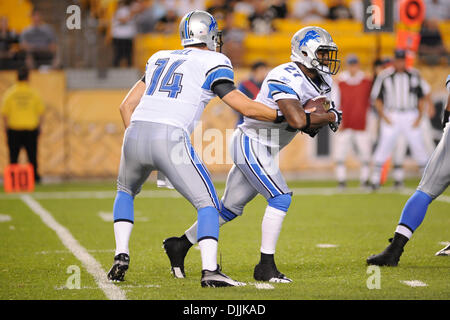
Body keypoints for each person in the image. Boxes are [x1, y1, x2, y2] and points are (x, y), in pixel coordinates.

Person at [107, 10, 286, 288]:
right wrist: (281, 115)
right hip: (169, 136)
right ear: (209, 34)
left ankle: (121, 254)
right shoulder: (215, 60)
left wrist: (142, 146)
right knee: (209, 205)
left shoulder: (158, 57)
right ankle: (211, 271)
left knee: (125, 191)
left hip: (135, 132)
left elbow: (125, 106)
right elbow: (243, 106)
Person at [163, 26, 342, 283]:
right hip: (252, 142)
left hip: (266, 146)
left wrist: (318, 117)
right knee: (280, 198)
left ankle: (179, 244)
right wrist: (330, 116)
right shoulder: (285, 74)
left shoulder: (323, 80)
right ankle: (265, 267)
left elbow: (308, 125)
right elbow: (296, 119)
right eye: (322, 53)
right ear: (305, 52)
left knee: (229, 208)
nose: (327, 59)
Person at [367, 74, 450, 265]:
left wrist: (447, 120)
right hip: (396, 115)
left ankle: (395, 250)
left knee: (425, 191)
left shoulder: (413, 76)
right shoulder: (388, 77)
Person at [369, 49, 430, 190]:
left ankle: (427, 181)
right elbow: (376, 99)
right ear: (394, 61)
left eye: (402, 60)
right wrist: (384, 116)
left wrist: (419, 117)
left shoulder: (414, 75)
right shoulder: (385, 76)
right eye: (398, 60)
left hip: (410, 114)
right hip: (392, 114)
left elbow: (421, 98)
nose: (400, 63)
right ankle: (375, 180)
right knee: (384, 146)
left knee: (419, 147)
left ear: (405, 61)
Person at [331, 54, 372, 188]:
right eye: (350, 64)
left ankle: (365, 179)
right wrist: (337, 120)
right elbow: (335, 102)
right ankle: (341, 180)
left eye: (354, 64)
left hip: (361, 122)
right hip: (345, 123)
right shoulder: (340, 82)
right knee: (340, 154)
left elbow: (371, 102)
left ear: (358, 65)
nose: (352, 68)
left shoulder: (366, 81)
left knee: (365, 154)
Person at [1, 67, 45, 183]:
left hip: (14, 129)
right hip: (30, 129)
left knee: (13, 156)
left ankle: (13, 179)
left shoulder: (10, 93)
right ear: (28, 78)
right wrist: (40, 127)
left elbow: (4, 113)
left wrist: (5, 128)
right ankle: (35, 177)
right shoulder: (33, 93)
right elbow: (41, 112)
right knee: (32, 156)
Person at [235, 61, 269, 126]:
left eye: (265, 71)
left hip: (264, 122)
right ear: (254, 72)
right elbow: (237, 102)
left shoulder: (268, 86)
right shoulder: (244, 85)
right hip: (245, 121)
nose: (263, 73)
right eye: (261, 71)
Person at [111, 0, 138, 67]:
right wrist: (131, 14)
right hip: (119, 35)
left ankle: (128, 67)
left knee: (128, 54)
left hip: (128, 35)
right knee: (119, 54)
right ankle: (115, 68)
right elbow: (122, 20)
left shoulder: (130, 10)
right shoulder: (121, 10)